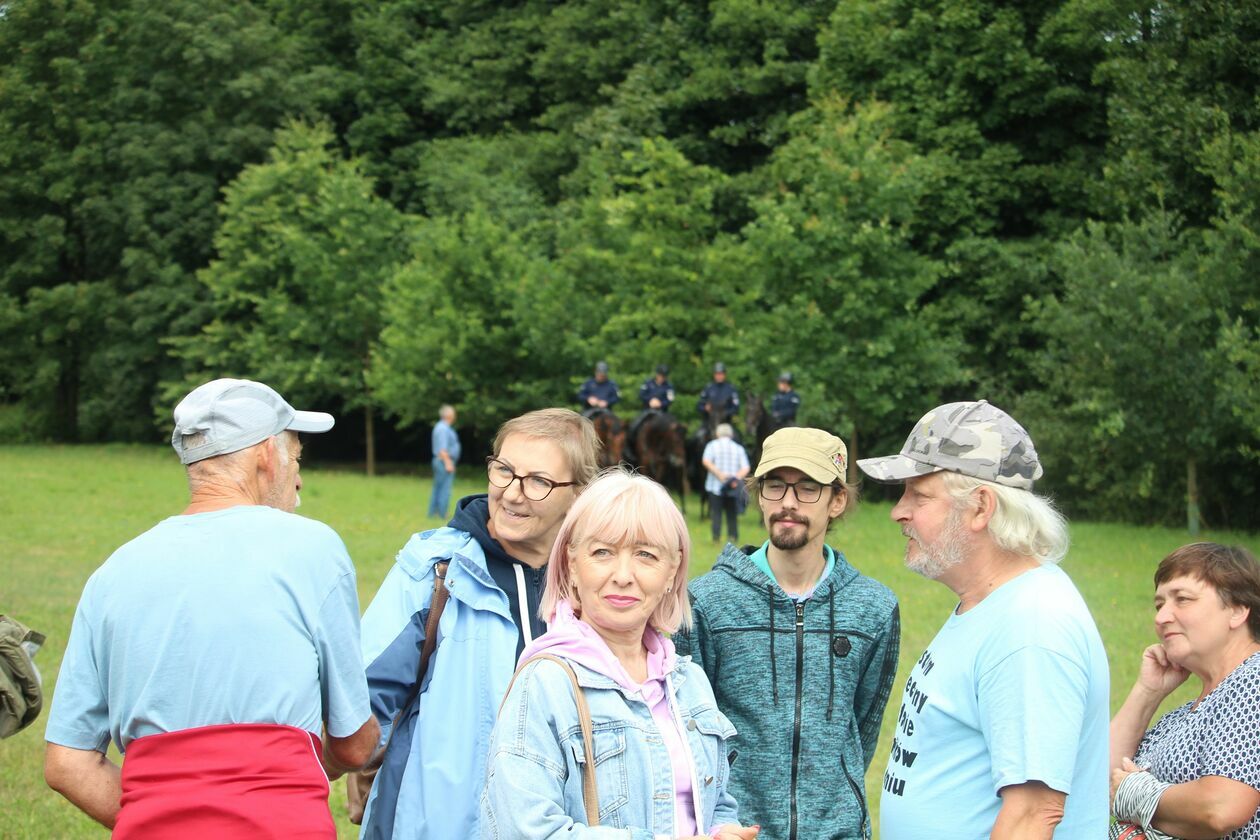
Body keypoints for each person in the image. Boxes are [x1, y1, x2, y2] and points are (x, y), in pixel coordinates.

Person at [43, 378, 378, 838]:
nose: (298, 477)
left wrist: (163, 821)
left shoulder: (113, 572)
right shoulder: (312, 548)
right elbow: (355, 744)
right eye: (296, 458)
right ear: (266, 455)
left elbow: (67, 762)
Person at [858, 399, 1109, 838]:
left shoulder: (1031, 627)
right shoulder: (993, 604)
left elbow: (1033, 815)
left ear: (980, 507)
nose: (899, 511)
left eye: (918, 495)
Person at [358, 408, 601, 840]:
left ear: (579, 494)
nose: (512, 493)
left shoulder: (599, 588)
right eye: (504, 471)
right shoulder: (436, 569)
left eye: (539, 481)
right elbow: (361, 700)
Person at [480, 469, 759, 840]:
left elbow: (714, 800)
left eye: (645, 554)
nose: (623, 575)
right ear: (571, 564)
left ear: (672, 570)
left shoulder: (688, 682)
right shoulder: (545, 684)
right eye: (602, 552)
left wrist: (723, 830)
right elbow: (525, 831)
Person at [676, 427, 900, 840]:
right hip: (735, 831)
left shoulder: (874, 608)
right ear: (759, 495)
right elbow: (687, 727)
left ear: (837, 501)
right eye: (775, 486)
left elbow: (863, 728)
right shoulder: (705, 602)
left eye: (808, 488)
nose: (788, 504)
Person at [1109, 542, 1260, 839]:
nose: (1161, 617)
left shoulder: (1253, 680)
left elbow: (1221, 806)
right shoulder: (1181, 716)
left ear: (1238, 610)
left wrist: (1137, 793)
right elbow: (1099, 783)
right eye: (1159, 604)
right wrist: (1147, 692)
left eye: (1183, 599)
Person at [701, 423, 750, 545]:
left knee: (716, 512)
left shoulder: (711, 446)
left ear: (717, 434)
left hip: (715, 485)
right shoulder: (738, 448)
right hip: (733, 487)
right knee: (731, 513)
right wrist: (735, 479)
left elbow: (706, 461)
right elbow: (746, 467)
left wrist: (719, 474)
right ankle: (733, 537)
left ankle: (716, 537)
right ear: (731, 434)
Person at [428, 404, 461, 519]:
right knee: (444, 489)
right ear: (449, 415)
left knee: (438, 487)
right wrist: (448, 463)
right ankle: (442, 513)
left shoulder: (441, 427)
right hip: (443, 461)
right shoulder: (443, 428)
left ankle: (434, 513)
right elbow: (442, 449)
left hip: (441, 461)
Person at [698, 362, 739, 430]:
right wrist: (705, 408)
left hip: (726, 423)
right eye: (717, 374)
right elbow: (699, 405)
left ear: (725, 375)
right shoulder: (708, 388)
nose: (719, 376)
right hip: (708, 423)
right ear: (714, 375)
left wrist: (725, 413)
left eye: (721, 374)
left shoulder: (731, 389)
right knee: (696, 438)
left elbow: (736, 408)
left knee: (738, 439)